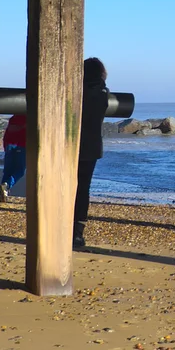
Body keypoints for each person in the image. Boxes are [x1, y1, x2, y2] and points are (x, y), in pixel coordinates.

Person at [73, 57, 110, 249]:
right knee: (83, 188)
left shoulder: (79, 91)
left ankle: (62, 228)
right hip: (93, 147)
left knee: (67, 187)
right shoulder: (104, 92)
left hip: (71, 145)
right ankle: (78, 232)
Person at [0, 114, 26, 203]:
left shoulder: (13, 118)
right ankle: (7, 185)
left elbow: (7, 134)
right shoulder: (28, 119)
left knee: (8, 170)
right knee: (20, 171)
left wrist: (5, 146)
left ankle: (2, 195)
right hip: (21, 145)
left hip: (9, 145)